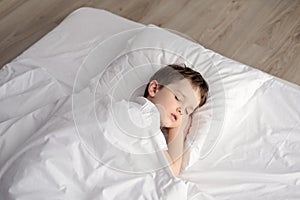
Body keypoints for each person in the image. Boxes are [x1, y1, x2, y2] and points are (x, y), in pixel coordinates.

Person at [143, 64, 209, 177]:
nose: (181, 110)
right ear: (154, 89)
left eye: (187, 111)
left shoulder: (156, 133)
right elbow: (171, 172)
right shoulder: (144, 118)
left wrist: (177, 126)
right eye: (178, 98)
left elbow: (172, 171)